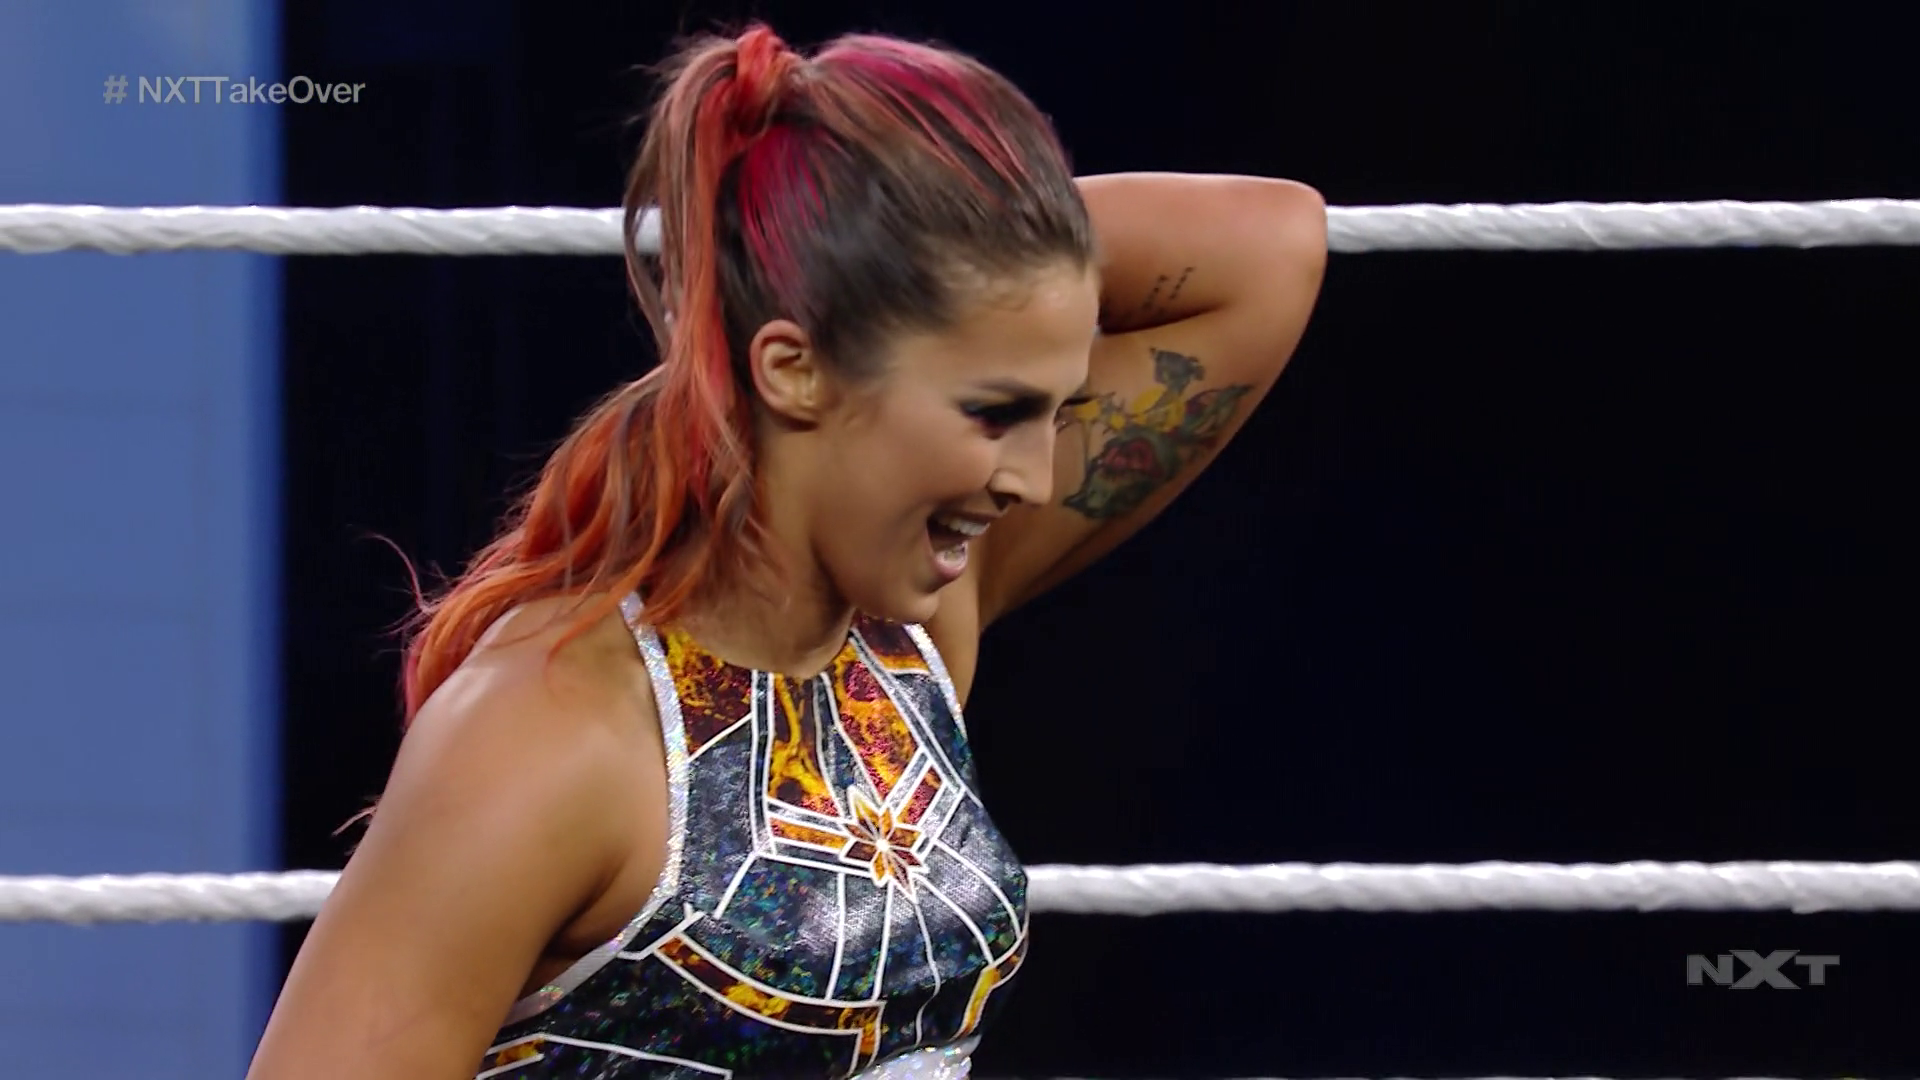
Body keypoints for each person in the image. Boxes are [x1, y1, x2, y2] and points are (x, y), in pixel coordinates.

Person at [245, 22, 1326, 1080]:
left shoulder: (907, 640)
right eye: (994, 411)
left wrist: (942, 245)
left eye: (1057, 410)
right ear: (794, 369)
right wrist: (870, 269)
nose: (1036, 480)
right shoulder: (544, 736)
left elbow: (1270, 247)